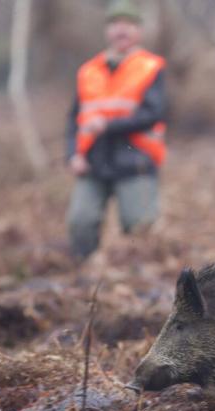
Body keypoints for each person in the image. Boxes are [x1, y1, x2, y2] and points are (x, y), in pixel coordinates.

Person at [65, 0, 167, 259]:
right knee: (81, 222)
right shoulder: (88, 71)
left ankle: (139, 279)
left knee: (139, 229)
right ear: (107, 31)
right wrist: (72, 155)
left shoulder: (150, 67)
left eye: (128, 25)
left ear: (138, 31)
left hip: (136, 160)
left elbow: (153, 113)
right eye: (115, 24)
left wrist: (108, 125)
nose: (121, 31)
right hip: (93, 160)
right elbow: (73, 119)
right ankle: (84, 274)